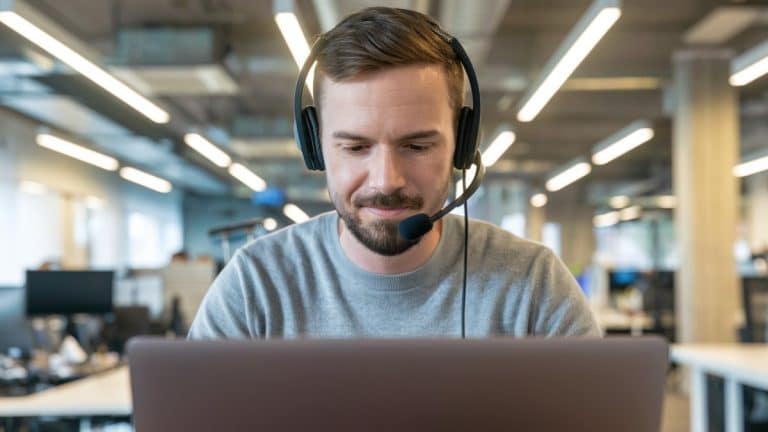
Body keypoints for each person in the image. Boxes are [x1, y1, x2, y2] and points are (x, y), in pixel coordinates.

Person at [188, 7, 600, 339]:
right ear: (315, 148)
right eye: (355, 147)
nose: (386, 180)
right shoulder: (255, 287)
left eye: (417, 146)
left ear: (462, 142)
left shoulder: (532, 286)